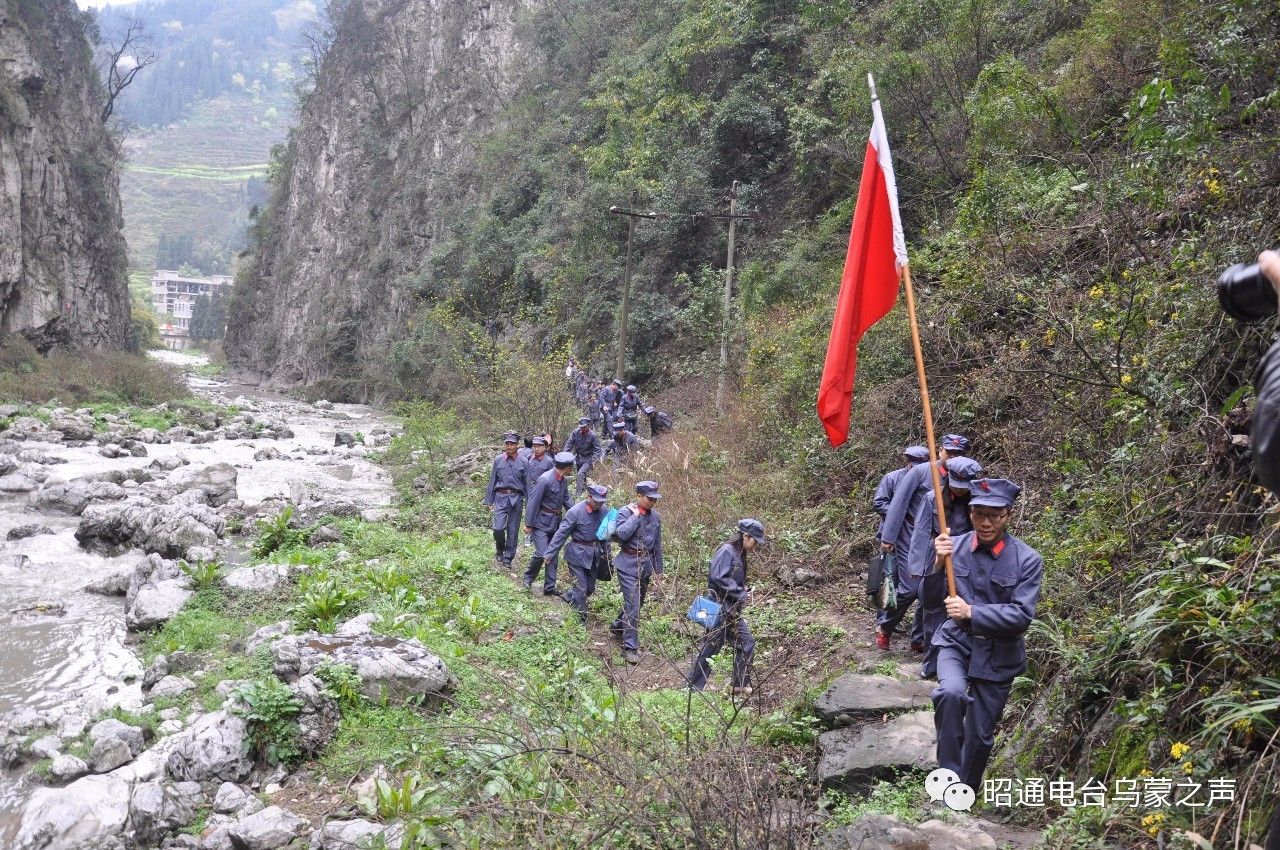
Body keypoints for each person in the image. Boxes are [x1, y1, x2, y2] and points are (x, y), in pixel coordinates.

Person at [930, 477, 1042, 791]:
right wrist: (938, 563)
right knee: (950, 694)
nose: (986, 522)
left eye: (995, 515)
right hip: (957, 643)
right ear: (970, 513)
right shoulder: (955, 548)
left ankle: (965, 790)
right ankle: (948, 780)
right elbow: (926, 601)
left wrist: (973, 612)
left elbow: (1021, 616)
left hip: (999, 656)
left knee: (980, 735)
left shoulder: (1027, 560)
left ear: (1008, 514)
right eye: (979, 514)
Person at [876, 434, 973, 651]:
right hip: (911, 535)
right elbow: (898, 504)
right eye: (949, 452)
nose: (952, 457)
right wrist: (888, 538)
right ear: (940, 450)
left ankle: (919, 638)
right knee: (911, 588)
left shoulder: (965, 479)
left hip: (944, 542)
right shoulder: (921, 472)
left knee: (931, 590)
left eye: (958, 454)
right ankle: (885, 626)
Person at [915, 456, 982, 678]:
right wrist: (917, 567)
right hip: (938, 558)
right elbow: (921, 531)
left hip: (966, 562)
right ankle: (931, 662)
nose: (961, 491)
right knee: (933, 612)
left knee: (959, 609)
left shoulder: (978, 502)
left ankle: (960, 662)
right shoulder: (932, 498)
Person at [687, 519, 764, 696]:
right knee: (711, 648)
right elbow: (718, 577)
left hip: (732, 610)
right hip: (720, 609)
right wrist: (740, 593)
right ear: (745, 536)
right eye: (755, 540)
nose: (756, 545)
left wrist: (741, 589)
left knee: (747, 643)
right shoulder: (727, 551)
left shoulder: (739, 552)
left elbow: (729, 578)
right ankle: (690, 688)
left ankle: (739, 684)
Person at [610, 480, 664, 665]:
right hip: (628, 564)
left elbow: (657, 545)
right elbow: (621, 535)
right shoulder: (625, 512)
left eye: (655, 499)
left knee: (636, 604)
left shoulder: (655, 517)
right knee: (633, 605)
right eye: (649, 499)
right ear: (639, 496)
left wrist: (658, 570)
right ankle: (630, 647)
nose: (652, 502)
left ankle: (618, 626)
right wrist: (634, 517)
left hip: (646, 565)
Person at [544, 483, 611, 623]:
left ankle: (569, 596)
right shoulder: (575, 512)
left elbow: (606, 534)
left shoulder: (605, 511)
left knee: (589, 589)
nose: (599, 504)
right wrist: (550, 553)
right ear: (589, 497)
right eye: (597, 501)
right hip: (576, 554)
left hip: (594, 555)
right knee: (581, 589)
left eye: (602, 501)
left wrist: (607, 554)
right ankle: (580, 620)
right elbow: (561, 533)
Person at [523, 452, 575, 596]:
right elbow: (533, 503)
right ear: (567, 467)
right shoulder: (544, 479)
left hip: (555, 523)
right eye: (571, 466)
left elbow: (567, 500)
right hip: (540, 523)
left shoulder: (563, 480)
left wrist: (577, 513)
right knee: (541, 553)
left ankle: (549, 587)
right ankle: (528, 578)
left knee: (553, 553)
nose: (572, 469)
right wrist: (528, 524)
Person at [483, 431, 526, 568]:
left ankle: (508, 558)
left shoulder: (524, 461)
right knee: (498, 528)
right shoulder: (498, 460)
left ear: (517, 445)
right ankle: (500, 549)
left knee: (513, 530)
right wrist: (489, 500)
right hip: (500, 497)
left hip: (516, 499)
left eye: (512, 443)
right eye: (507, 443)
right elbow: (492, 480)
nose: (509, 446)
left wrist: (531, 504)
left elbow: (528, 483)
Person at [564, 417, 604, 497]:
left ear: (588, 426)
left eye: (584, 427)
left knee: (580, 474)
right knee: (582, 476)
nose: (582, 429)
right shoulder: (575, 432)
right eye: (581, 427)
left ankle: (578, 495)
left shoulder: (593, 435)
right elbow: (569, 443)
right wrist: (565, 454)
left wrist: (594, 461)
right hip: (578, 457)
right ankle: (586, 491)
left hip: (588, 458)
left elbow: (597, 449)